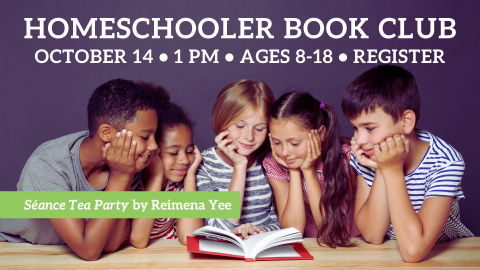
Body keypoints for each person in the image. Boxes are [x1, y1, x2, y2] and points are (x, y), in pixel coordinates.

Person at [0, 79, 161, 261]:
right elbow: (89, 250)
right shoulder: (47, 164)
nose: (154, 146)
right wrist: (121, 176)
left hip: (57, 254)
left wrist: (124, 175)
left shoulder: (125, 165)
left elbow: (110, 244)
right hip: (12, 246)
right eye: (145, 136)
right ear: (107, 133)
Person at [342, 64, 474, 262]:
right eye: (355, 128)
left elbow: (414, 251)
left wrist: (392, 170)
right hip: (389, 254)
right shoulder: (368, 153)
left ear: (406, 122)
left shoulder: (446, 161)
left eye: (369, 128)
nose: (360, 140)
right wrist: (381, 169)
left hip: (444, 255)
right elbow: (372, 235)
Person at [263, 91, 360, 248]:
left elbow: (330, 228)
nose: (285, 152)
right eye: (277, 142)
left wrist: (308, 172)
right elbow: (293, 231)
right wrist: (294, 171)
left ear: (320, 133)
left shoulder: (344, 157)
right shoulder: (274, 163)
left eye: (294, 143)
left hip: (355, 245)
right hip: (315, 248)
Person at [196, 79, 281, 239]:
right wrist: (240, 166)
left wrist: (259, 232)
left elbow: (283, 221)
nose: (249, 137)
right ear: (222, 121)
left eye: (259, 128)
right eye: (240, 126)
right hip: (222, 255)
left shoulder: (271, 161)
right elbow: (218, 229)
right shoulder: (203, 164)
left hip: (263, 251)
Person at [128, 82, 203, 247]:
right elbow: (138, 240)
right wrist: (157, 175)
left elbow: (190, 238)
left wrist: (190, 176)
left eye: (189, 151)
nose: (184, 160)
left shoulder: (180, 184)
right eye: (174, 153)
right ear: (153, 150)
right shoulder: (133, 183)